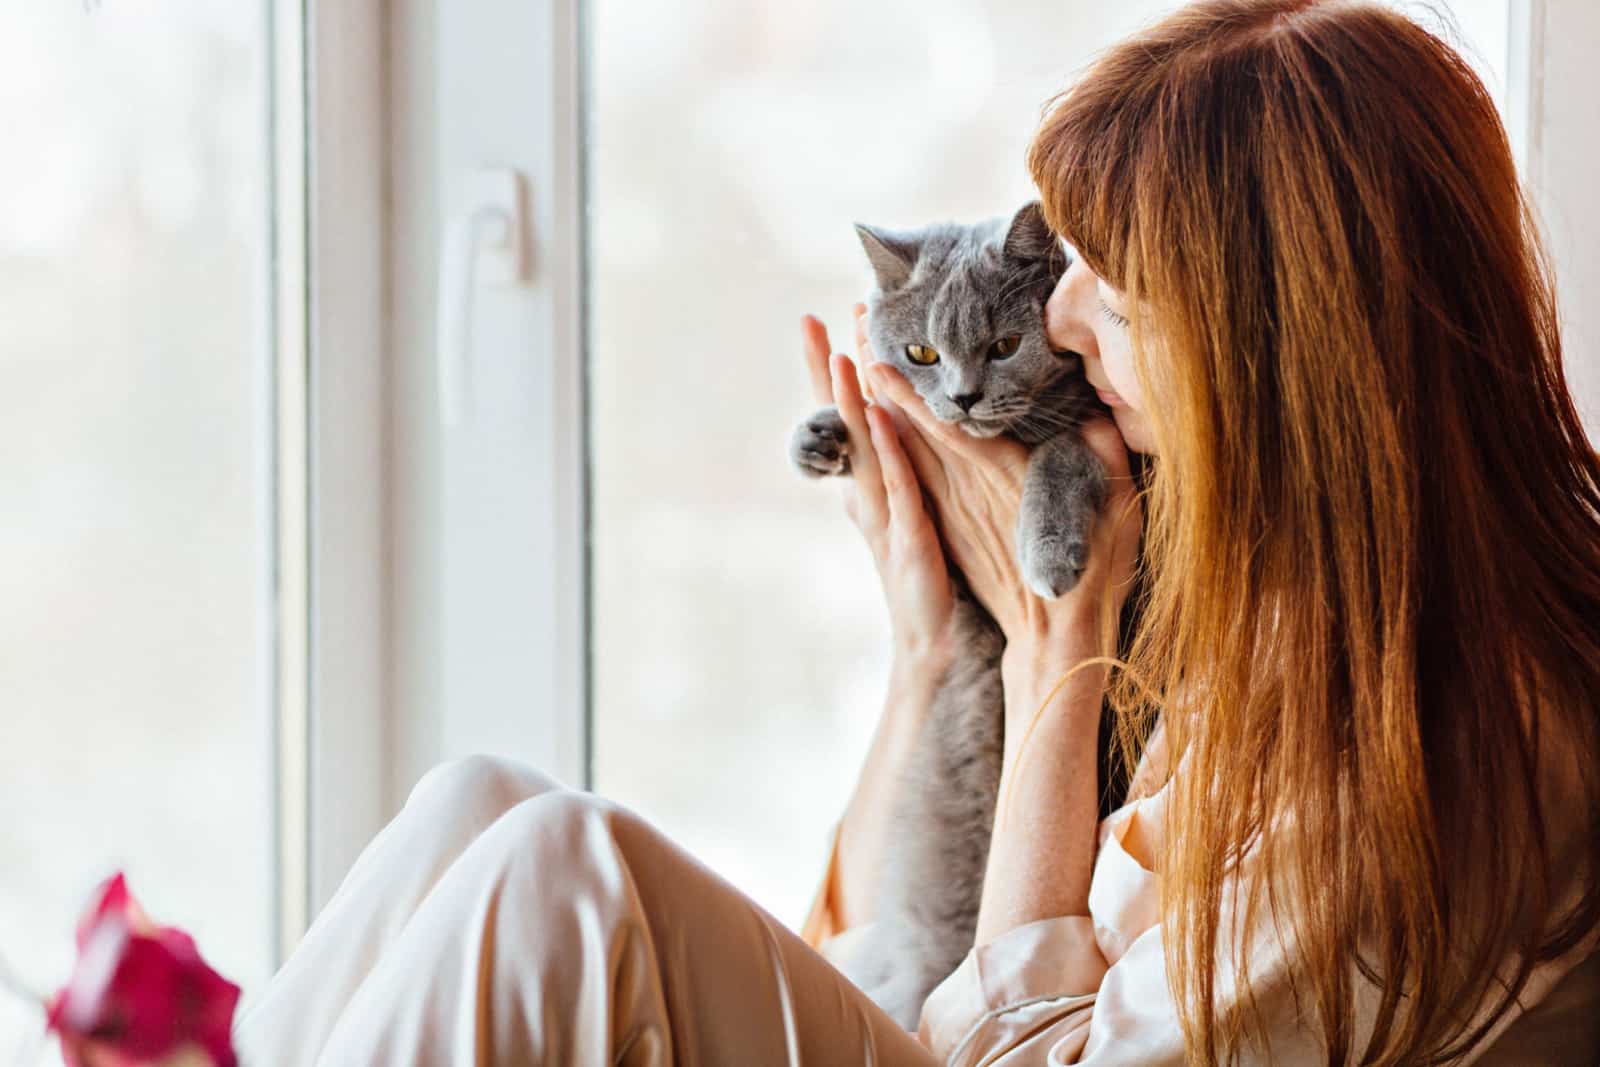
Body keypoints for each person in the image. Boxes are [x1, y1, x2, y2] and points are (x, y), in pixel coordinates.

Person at [235, 1, 1600, 1063]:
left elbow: (1005, 1051)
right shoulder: (1296, 598)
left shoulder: (1436, 751)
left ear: (1280, 356)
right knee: (475, 805)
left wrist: (1055, 646)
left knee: (562, 876)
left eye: (1116, 304)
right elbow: (870, 937)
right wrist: (937, 645)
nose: (1064, 325)